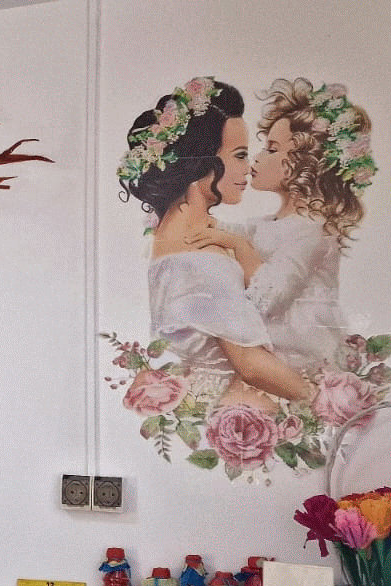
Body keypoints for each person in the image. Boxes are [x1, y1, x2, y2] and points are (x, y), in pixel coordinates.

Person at [117, 77, 310, 412]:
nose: (248, 168)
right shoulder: (203, 256)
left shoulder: (169, 233)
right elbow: (251, 366)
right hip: (229, 408)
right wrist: (317, 399)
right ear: (200, 163)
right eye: (239, 155)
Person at [233, 79, 375, 374]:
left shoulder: (312, 228)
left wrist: (234, 244)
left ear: (304, 164)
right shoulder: (262, 226)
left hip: (304, 361)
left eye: (272, 149)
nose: (257, 158)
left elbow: (267, 298)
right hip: (272, 356)